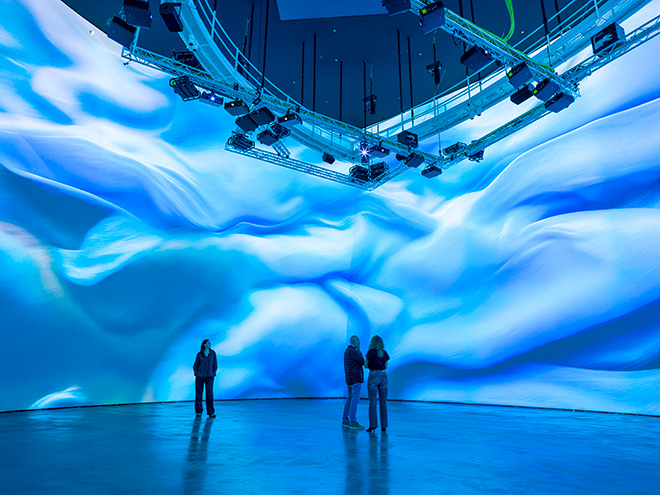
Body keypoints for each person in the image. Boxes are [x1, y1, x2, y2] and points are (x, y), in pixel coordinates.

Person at [365, 335, 390, 433]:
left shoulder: (370, 352)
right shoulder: (384, 353)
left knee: (372, 402)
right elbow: (386, 366)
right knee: (383, 402)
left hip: (373, 376)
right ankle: (384, 426)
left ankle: (373, 425)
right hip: (383, 376)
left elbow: (366, 365)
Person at [342, 335, 365, 430]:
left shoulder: (347, 351)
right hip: (355, 379)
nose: (359, 342)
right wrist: (359, 350)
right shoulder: (353, 351)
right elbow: (362, 361)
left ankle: (345, 420)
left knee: (349, 400)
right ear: (353, 341)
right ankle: (352, 422)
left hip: (349, 380)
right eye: (357, 340)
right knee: (354, 400)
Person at [193, 339, 218, 418]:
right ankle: (198, 411)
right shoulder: (199, 354)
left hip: (210, 376)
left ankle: (211, 412)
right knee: (199, 393)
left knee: (209, 394)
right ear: (204, 344)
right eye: (208, 343)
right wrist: (196, 373)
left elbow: (215, 364)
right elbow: (195, 365)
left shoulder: (213, 353)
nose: (209, 344)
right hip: (200, 376)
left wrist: (213, 372)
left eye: (209, 343)